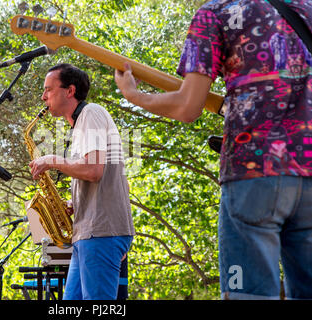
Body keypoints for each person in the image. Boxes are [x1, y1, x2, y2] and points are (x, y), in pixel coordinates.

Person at [114, 0, 312, 300]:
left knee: (249, 295)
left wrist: (134, 94)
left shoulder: (216, 12)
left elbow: (187, 106)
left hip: (254, 172)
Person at [29, 63, 135, 300]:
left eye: (49, 89)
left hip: (101, 232)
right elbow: (113, 179)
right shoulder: (80, 125)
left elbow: (94, 170)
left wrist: (52, 159)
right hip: (89, 233)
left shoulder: (91, 113)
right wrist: (76, 201)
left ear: (70, 91)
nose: (43, 96)